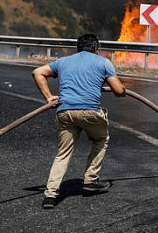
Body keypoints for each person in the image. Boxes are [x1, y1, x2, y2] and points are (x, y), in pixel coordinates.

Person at [32, 33, 126, 209]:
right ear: (96, 49)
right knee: (100, 139)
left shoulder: (64, 61)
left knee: (63, 153)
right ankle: (90, 181)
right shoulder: (103, 62)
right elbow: (118, 91)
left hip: (65, 112)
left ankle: (50, 195)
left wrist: (49, 97)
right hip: (90, 113)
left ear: (78, 48)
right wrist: (122, 88)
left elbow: (37, 72)